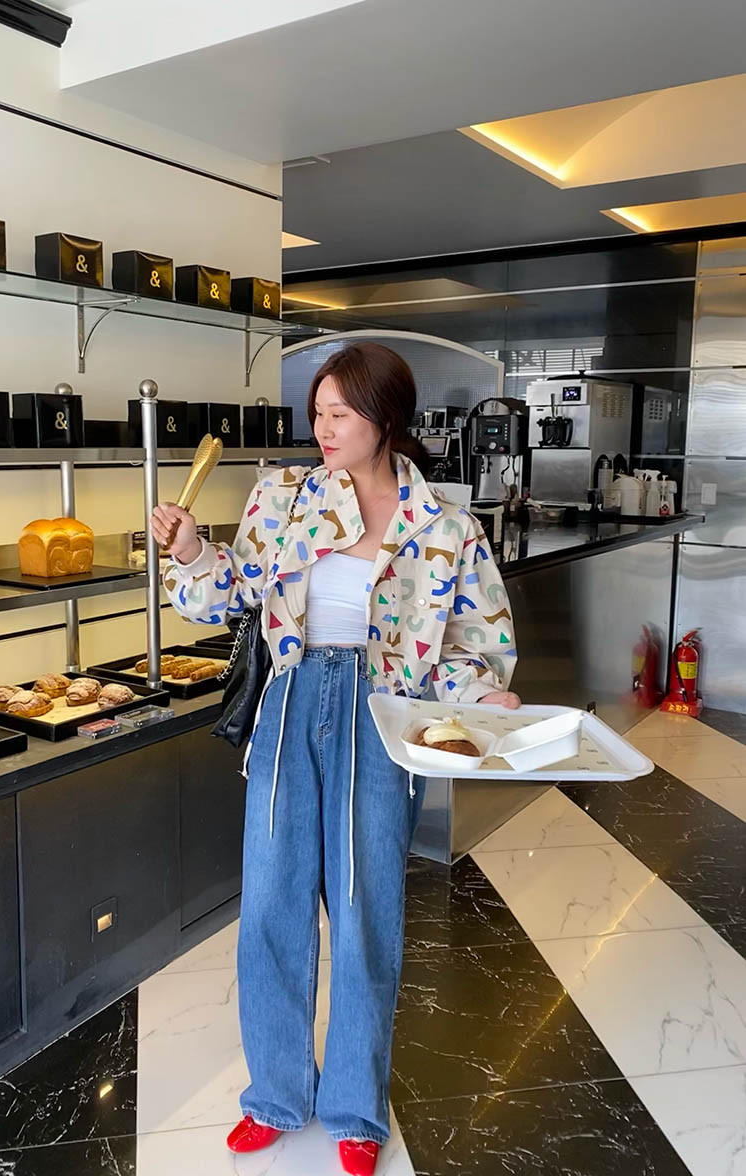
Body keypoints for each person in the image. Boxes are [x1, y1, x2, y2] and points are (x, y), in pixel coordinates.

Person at [151, 342, 519, 1176]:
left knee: (364, 910)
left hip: (383, 714)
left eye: (339, 414)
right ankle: (276, 1096)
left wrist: (481, 695)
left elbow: (473, 643)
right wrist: (193, 552)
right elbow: (232, 594)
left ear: (385, 418)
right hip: (290, 701)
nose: (322, 428)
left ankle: (355, 1108)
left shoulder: (445, 526)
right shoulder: (285, 495)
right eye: (317, 412)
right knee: (273, 903)